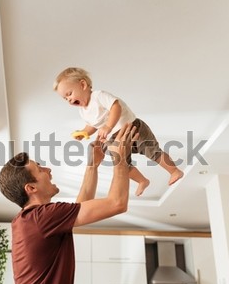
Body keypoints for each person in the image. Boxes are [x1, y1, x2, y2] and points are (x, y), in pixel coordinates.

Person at [0, 123, 138, 284]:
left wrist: (92, 165)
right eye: (40, 169)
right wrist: (120, 157)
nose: (48, 170)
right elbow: (117, 203)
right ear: (31, 188)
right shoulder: (40, 218)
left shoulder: (33, 219)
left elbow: (81, 207)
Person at [53, 67, 184, 196]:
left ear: (83, 84)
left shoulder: (98, 96)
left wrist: (108, 127)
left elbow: (116, 107)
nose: (69, 99)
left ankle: (174, 171)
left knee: (152, 152)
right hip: (117, 140)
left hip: (132, 128)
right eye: (65, 98)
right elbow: (92, 125)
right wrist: (84, 132)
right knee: (121, 164)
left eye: (69, 94)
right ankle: (142, 181)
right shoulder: (83, 111)